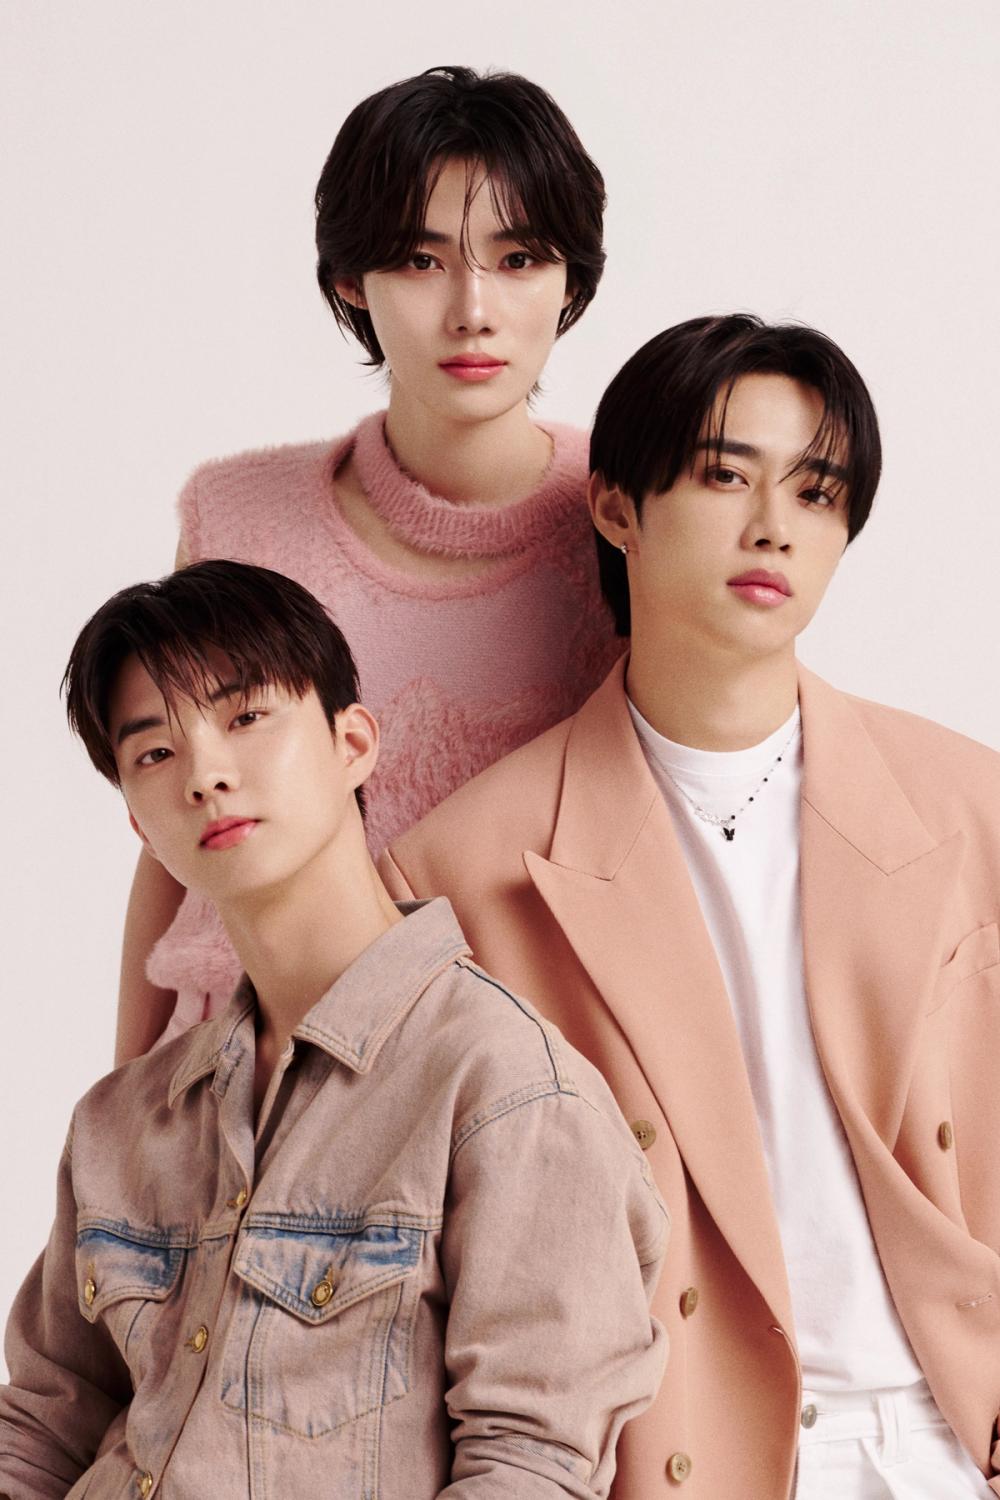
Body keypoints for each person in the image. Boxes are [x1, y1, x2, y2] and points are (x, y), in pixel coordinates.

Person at [380, 315, 1000, 1498]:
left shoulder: (970, 808)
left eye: (816, 493)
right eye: (724, 476)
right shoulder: (457, 872)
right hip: (679, 1456)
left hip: (945, 1440)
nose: (774, 526)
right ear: (617, 508)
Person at [0, 560, 666, 1499]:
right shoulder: (119, 1123)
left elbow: (530, 1466)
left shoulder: (507, 1090)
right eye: (154, 753)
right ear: (140, 828)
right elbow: (40, 1428)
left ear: (352, 743)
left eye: (245, 717)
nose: (206, 775)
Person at [117, 64, 620, 1063]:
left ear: (571, 280)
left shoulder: (627, 521)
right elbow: (173, 851)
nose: (472, 310)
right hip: (232, 1073)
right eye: (422, 261)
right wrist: (117, 1108)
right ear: (352, 280)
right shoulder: (240, 517)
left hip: (504, 1088)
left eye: (518, 258)